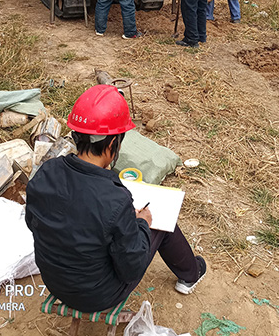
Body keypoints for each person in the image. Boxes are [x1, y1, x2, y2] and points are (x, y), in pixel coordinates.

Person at [25, 84, 206, 313]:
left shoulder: (46, 172)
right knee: (159, 220)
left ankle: (188, 271)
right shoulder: (115, 199)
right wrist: (141, 224)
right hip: (97, 296)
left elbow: (33, 223)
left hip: (55, 282)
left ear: (76, 135)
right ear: (113, 144)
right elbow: (131, 269)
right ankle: (190, 274)